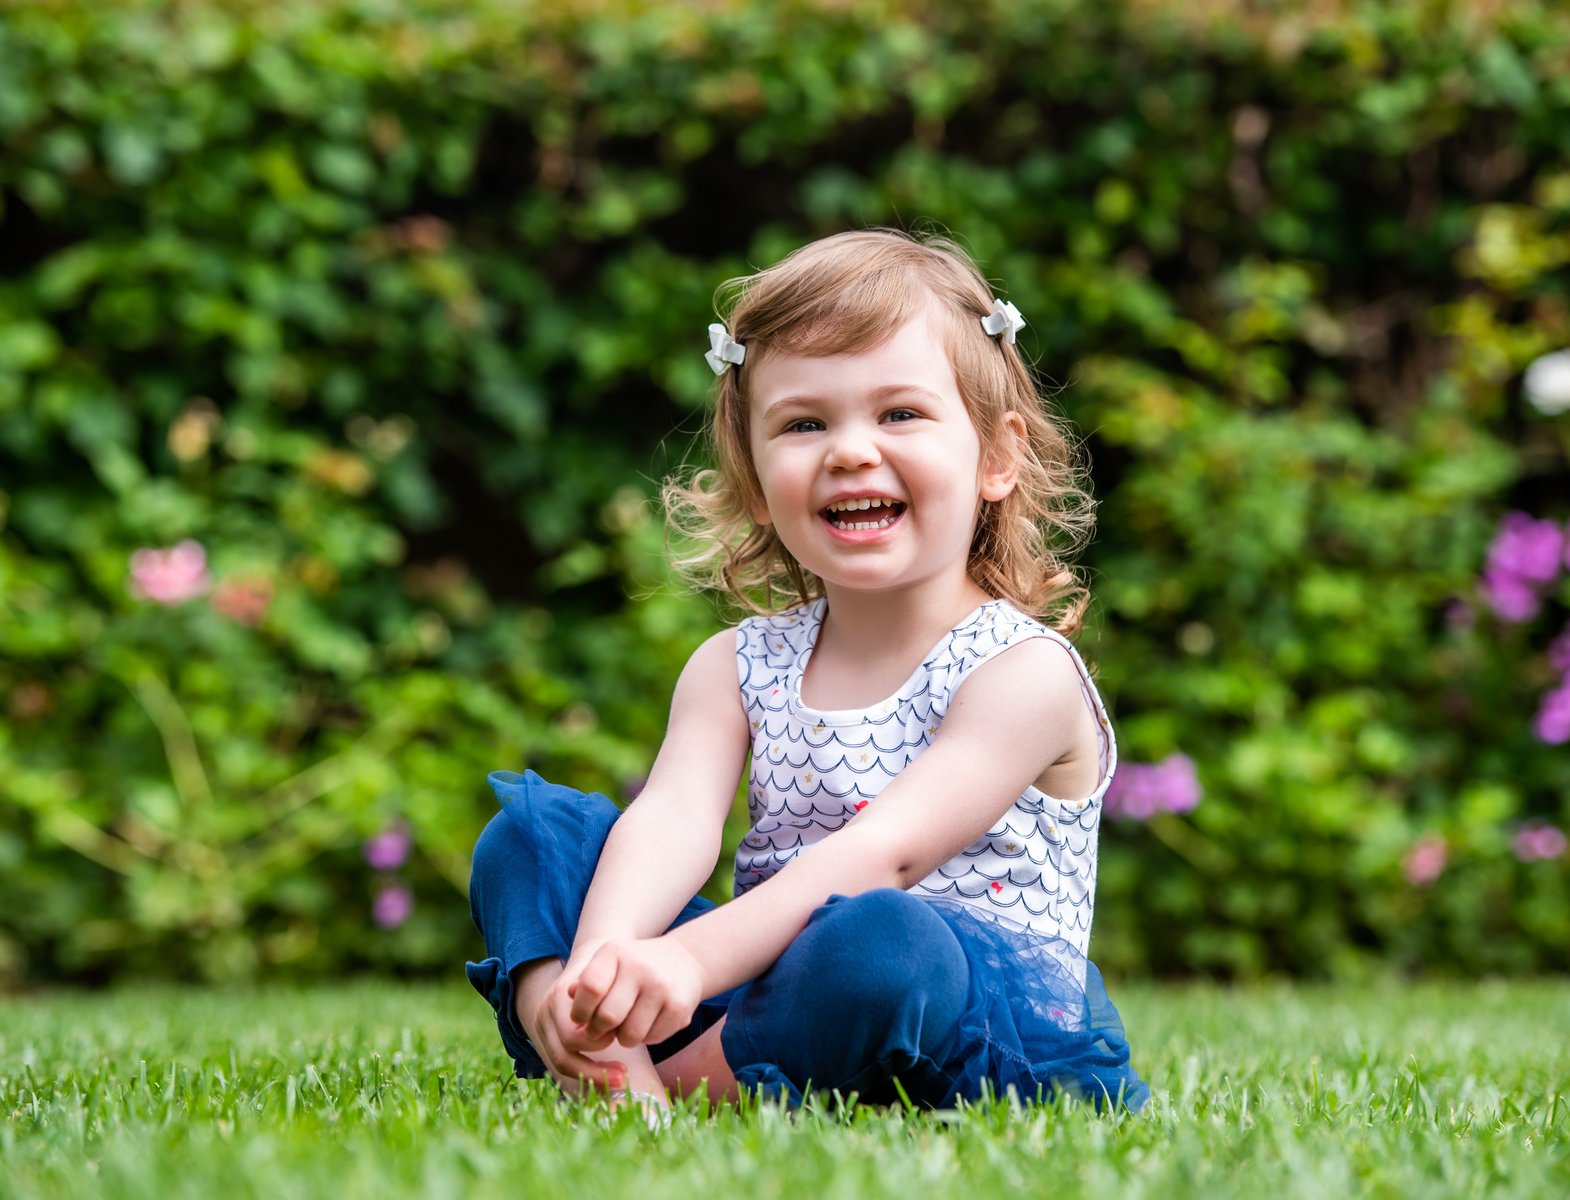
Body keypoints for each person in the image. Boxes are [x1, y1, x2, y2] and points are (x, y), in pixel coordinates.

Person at [466, 228, 1149, 1119]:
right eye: (804, 424)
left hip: (957, 1026)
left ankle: (675, 1085)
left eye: (899, 414)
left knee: (881, 940)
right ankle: (598, 1045)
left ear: (996, 456)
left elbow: (884, 852)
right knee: (533, 837)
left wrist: (687, 960)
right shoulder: (735, 666)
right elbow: (672, 822)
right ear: (754, 479)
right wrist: (607, 966)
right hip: (764, 992)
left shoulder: (1022, 673)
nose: (850, 450)